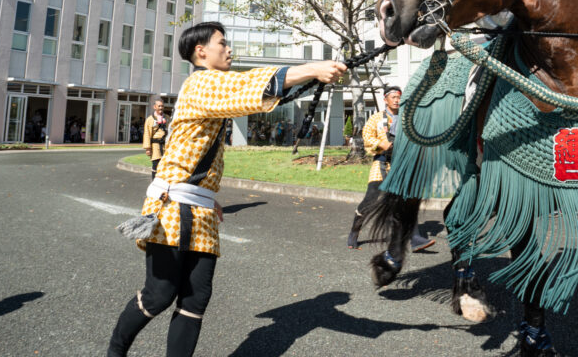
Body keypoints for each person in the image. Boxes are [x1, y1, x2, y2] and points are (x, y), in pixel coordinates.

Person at [107, 22, 346, 357]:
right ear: (201, 51)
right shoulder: (201, 83)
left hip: (199, 208)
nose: (229, 49)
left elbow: (259, 96)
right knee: (160, 294)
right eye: (223, 43)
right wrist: (312, 68)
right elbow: (249, 86)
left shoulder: (213, 86)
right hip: (172, 207)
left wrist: (208, 198)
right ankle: (115, 351)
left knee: (195, 300)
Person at [347, 86, 434, 252]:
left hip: (402, 165)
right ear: (385, 100)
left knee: (409, 199)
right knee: (370, 200)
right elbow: (367, 136)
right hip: (381, 163)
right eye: (393, 97)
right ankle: (354, 233)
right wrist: (382, 144)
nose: (396, 100)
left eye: (398, 97)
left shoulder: (407, 119)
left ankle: (415, 239)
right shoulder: (376, 118)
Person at [143, 99, 170, 179]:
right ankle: (154, 182)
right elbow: (147, 134)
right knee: (156, 164)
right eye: (159, 106)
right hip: (155, 146)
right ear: (154, 107)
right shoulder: (150, 119)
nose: (161, 108)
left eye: (162, 106)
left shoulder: (167, 118)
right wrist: (148, 148)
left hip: (165, 146)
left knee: (166, 165)